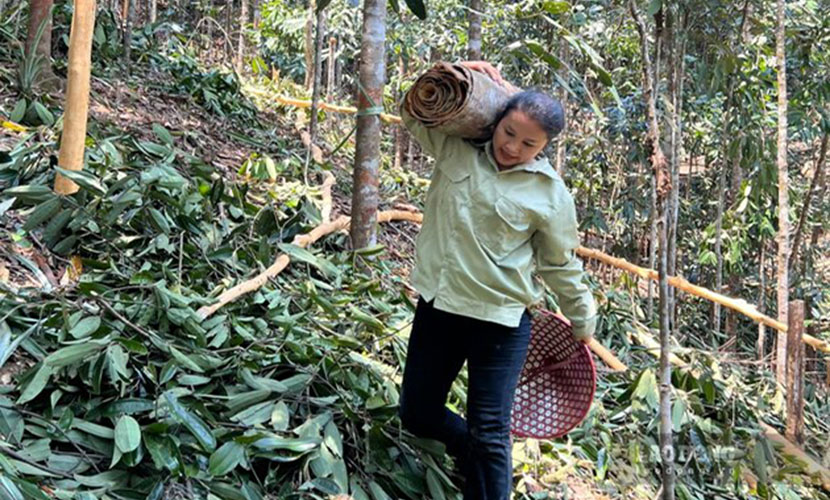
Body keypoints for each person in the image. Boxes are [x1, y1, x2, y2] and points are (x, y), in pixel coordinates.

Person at [397, 60, 597, 499]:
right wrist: (453, 73)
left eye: (528, 143)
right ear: (498, 120)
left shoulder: (550, 194)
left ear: (544, 147)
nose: (512, 147)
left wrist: (582, 320)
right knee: (417, 412)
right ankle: (471, 456)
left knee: (491, 430)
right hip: (440, 306)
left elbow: (560, 264)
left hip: (501, 322)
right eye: (509, 132)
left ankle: (486, 478)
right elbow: (411, 110)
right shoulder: (456, 148)